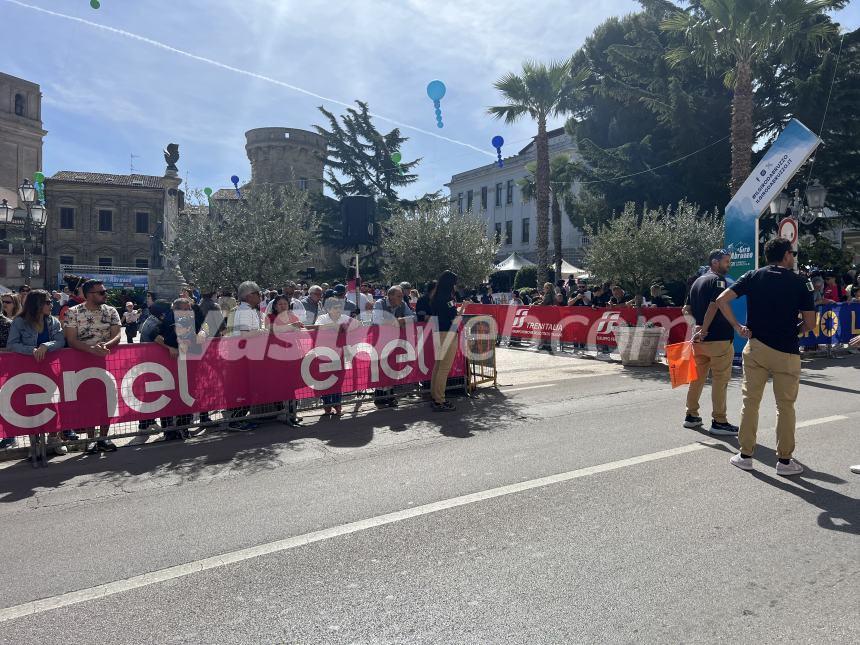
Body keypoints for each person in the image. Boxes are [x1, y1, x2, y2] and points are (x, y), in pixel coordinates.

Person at [715, 237, 816, 476]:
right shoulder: (801, 282)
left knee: (750, 402)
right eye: (791, 253)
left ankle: (746, 455)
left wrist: (738, 327)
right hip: (787, 350)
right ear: (786, 255)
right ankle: (784, 461)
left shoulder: (752, 276)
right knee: (786, 406)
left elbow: (721, 300)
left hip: (756, 347)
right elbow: (810, 323)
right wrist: (797, 329)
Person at [63, 279, 122, 453]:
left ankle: (103, 438)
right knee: (88, 402)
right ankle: (91, 439)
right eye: (101, 292)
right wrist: (91, 350)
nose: (106, 295)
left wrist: (105, 346)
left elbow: (117, 335)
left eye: (105, 291)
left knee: (108, 401)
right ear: (89, 295)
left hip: (106, 361)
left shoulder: (111, 311)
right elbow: (71, 340)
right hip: (82, 362)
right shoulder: (73, 312)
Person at [7, 290, 67, 454]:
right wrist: (31, 350)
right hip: (26, 371)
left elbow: (61, 341)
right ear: (37, 304)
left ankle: (54, 439)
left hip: (49, 370)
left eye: (50, 302)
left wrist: (45, 346)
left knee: (52, 404)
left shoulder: (53, 321)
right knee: (31, 406)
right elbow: (12, 344)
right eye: (47, 302)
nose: (51, 304)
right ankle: (35, 442)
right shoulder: (19, 322)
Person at [686, 250, 739, 436]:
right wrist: (704, 328)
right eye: (726, 261)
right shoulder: (719, 281)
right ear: (715, 262)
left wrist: (696, 328)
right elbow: (715, 304)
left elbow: (686, 309)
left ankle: (691, 415)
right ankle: (719, 421)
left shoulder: (696, 282)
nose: (729, 265)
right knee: (720, 381)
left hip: (700, 342)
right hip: (718, 339)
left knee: (697, 379)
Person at [153, 298, 196, 440]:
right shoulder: (167, 321)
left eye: (190, 308)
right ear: (176, 309)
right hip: (168, 365)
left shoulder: (189, 320)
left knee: (185, 395)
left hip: (185, 364)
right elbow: (157, 338)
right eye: (186, 308)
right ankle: (169, 430)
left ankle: (184, 427)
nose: (189, 311)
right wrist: (170, 348)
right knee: (168, 395)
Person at [226, 281, 266, 431]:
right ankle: (235, 421)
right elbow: (244, 335)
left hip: (245, 354)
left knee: (246, 389)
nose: (260, 296)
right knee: (243, 389)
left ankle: (238, 419)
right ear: (249, 296)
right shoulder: (245, 311)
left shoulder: (247, 309)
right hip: (242, 355)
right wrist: (263, 331)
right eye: (258, 293)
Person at [315, 298, 359, 416]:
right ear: (328, 309)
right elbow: (317, 328)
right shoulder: (322, 318)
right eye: (335, 308)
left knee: (338, 380)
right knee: (325, 380)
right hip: (325, 354)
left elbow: (358, 324)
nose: (338, 310)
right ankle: (327, 405)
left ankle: (337, 405)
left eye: (340, 307)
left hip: (340, 354)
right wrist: (334, 325)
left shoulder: (344, 318)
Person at [429, 270, 461, 412]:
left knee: (438, 366)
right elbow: (455, 319)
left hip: (437, 332)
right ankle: (440, 400)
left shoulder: (435, 296)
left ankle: (435, 397)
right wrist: (463, 307)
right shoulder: (448, 299)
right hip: (448, 333)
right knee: (444, 368)